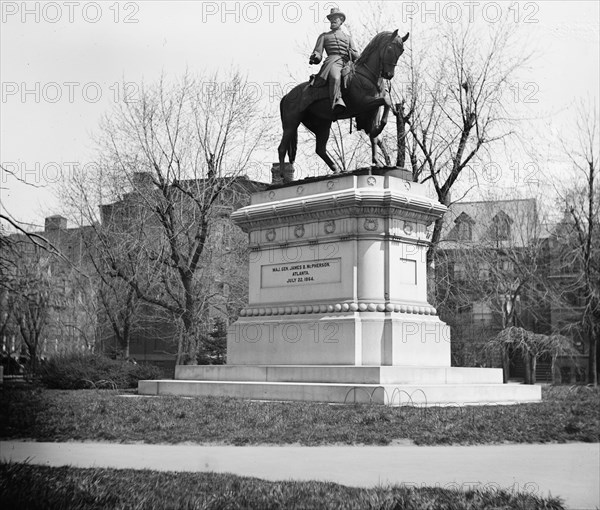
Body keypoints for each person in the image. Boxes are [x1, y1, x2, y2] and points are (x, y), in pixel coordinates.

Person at [309, 7, 359, 112]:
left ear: (341, 21)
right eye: (331, 18)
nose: (333, 20)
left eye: (335, 18)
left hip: (347, 63)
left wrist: (353, 53)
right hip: (333, 62)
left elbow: (356, 55)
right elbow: (318, 53)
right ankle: (336, 101)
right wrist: (315, 57)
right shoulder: (324, 36)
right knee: (336, 77)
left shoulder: (348, 37)